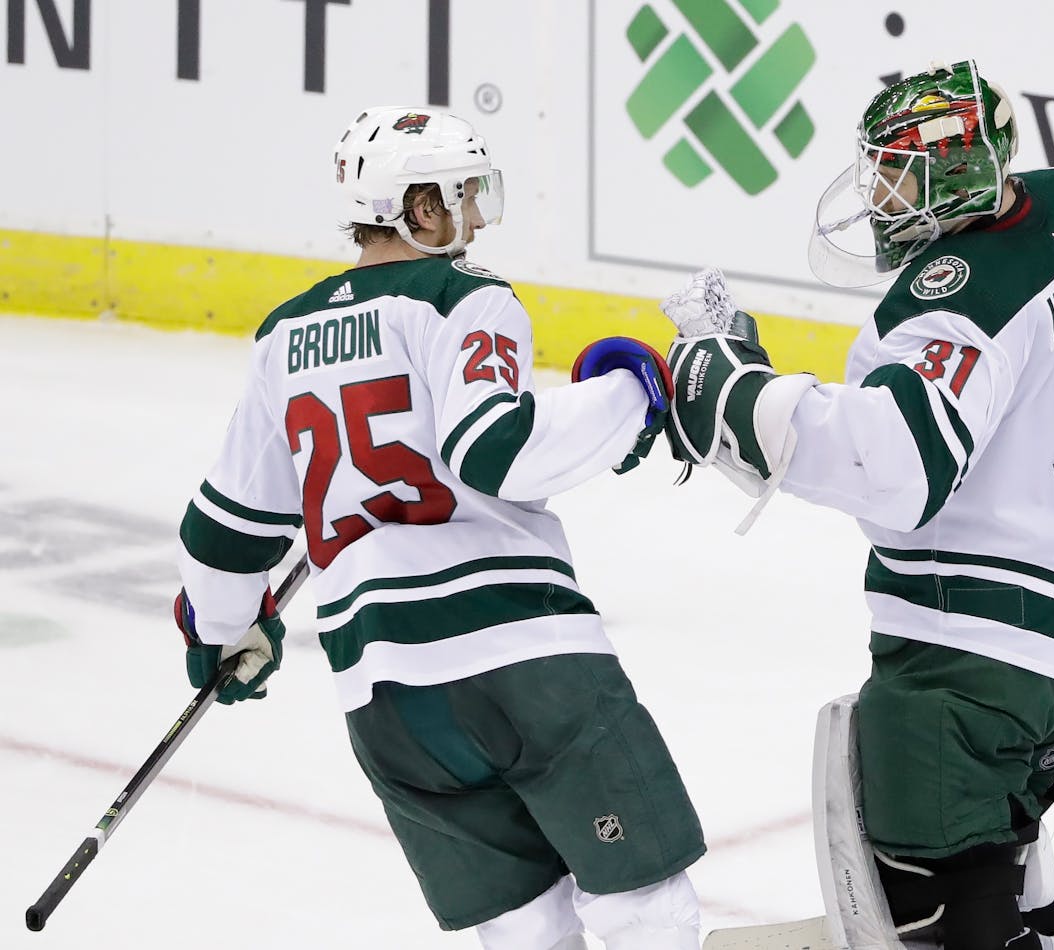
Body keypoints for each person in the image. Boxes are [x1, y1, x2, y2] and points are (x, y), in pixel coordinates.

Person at [661, 61, 1054, 949]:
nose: (880, 194)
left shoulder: (952, 299)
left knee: (931, 904)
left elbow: (893, 466)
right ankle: (1038, 918)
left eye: (897, 170)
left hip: (974, 657)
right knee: (1003, 835)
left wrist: (729, 394)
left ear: (958, 169)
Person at [171, 106, 704, 950]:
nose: (477, 219)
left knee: (524, 936)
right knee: (645, 912)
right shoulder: (465, 299)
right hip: (525, 660)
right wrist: (632, 392)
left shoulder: (283, 336)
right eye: (463, 196)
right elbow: (498, 449)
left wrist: (224, 629)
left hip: (384, 693)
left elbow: (227, 528)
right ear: (417, 208)